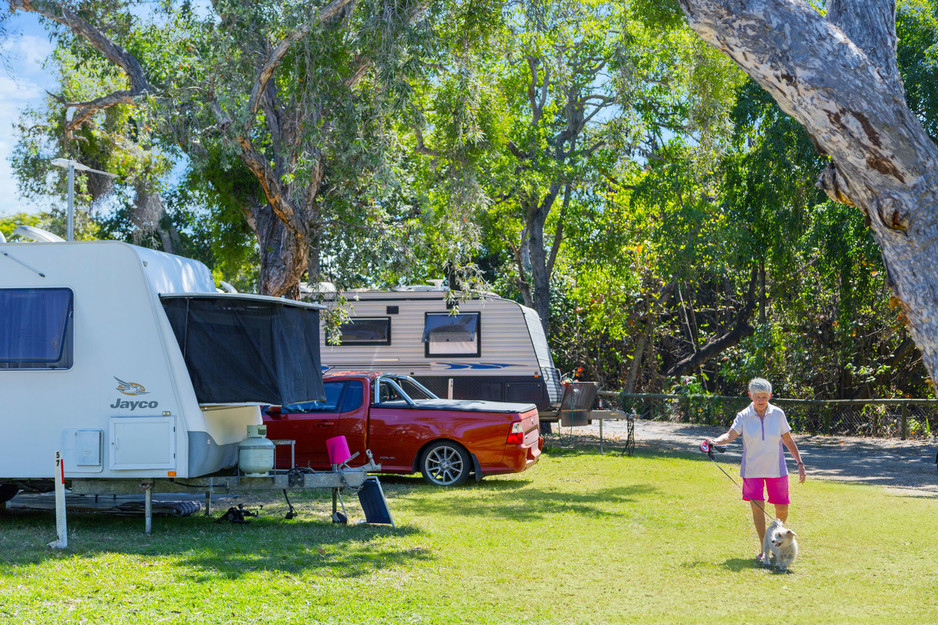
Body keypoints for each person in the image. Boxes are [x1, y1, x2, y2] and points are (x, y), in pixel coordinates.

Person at [705, 377, 806, 562]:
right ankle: (764, 549)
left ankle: (779, 543)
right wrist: (713, 442)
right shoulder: (743, 415)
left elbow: (788, 440)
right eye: (757, 396)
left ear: (770, 396)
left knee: (782, 509)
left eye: (764, 397)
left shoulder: (778, 414)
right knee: (758, 509)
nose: (760, 400)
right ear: (750, 395)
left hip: (777, 469)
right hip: (752, 470)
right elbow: (730, 435)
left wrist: (800, 463)